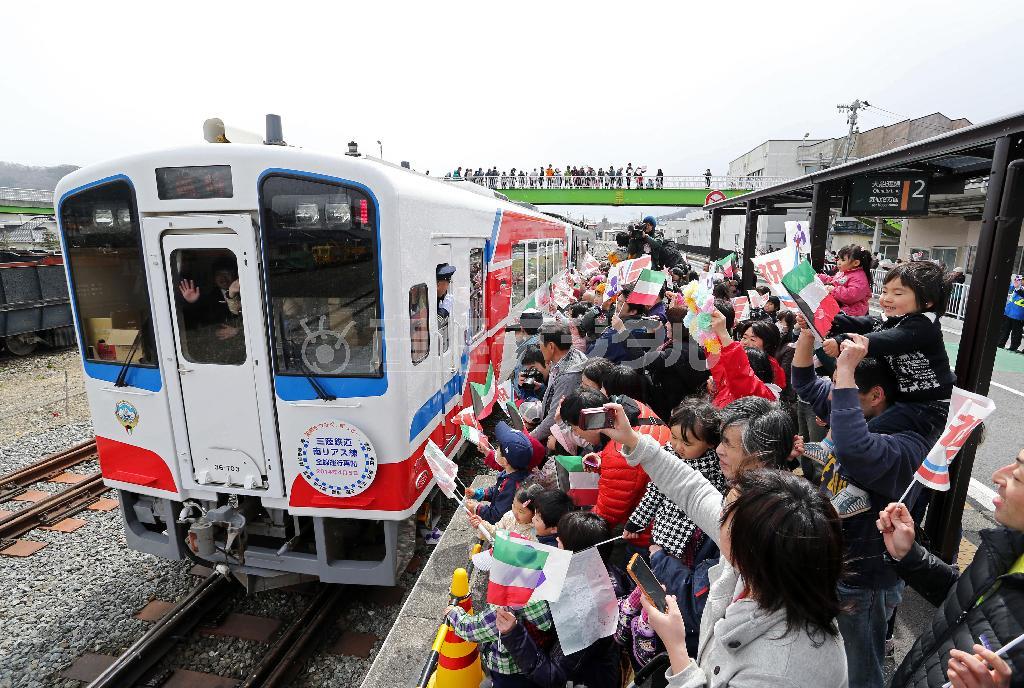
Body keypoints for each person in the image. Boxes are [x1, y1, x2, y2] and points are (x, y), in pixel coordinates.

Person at [603, 403, 848, 688]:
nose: (717, 515)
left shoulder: (783, 669)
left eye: (727, 514)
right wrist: (632, 441)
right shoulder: (768, 549)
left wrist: (677, 649)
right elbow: (692, 489)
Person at [794, 330, 931, 688]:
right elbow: (806, 383)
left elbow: (854, 448)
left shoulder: (905, 444)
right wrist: (807, 335)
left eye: (847, 387)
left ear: (876, 395)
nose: (838, 398)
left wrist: (846, 367)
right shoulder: (855, 411)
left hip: (866, 578)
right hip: (837, 560)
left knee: (862, 669)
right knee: (833, 655)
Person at [880, 449, 1023, 688]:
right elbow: (965, 597)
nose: (998, 476)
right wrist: (909, 555)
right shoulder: (1008, 542)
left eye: (1017, 476)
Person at [823, 261, 956, 437]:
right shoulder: (894, 318)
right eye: (885, 291)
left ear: (928, 301)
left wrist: (844, 342)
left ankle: (830, 447)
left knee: (871, 429)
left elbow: (889, 339)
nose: (886, 298)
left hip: (930, 405)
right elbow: (867, 323)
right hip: (905, 398)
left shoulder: (923, 325)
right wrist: (832, 319)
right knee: (868, 422)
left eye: (898, 293)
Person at [497, 511, 622, 688]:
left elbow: (552, 676)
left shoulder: (586, 611)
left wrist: (513, 633)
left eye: (560, 543)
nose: (556, 547)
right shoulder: (604, 571)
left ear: (577, 556)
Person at [467, 421, 534, 525]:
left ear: (505, 461)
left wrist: (477, 508)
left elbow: (496, 516)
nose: (496, 450)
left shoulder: (512, 485)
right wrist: (480, 493)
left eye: (498, 448)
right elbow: (498, 491)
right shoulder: (515, 474)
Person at [531, 322, 588, 444]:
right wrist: (541, 389)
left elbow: (554, 417)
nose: (539, 348)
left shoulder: (568, 376)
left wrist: (529, 438)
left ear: (551, 346)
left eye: (540, 345)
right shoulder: (571, 355)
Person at [470, 482, 544, 541]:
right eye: (514, 506)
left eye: (521, 511)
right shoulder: (509, 516)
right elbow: (497, 532)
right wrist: (482, 525)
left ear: (535, 513)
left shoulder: (536, 532)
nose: (515, 512)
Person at [822, 244, 874, 316]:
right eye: (839, 259)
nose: (838, 262)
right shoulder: (845, 272)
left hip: (851, 312)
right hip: (841, 307)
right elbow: (834, 281)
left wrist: (833, 290)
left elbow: (851, 295)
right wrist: (821, 277)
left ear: (856, 263)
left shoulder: (859, 277)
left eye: (843, 260)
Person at [1000, 274, 1024, 352]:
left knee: (1016, 333)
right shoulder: (1015, 287)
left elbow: (1021, 292)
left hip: (1018, 315)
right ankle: (1000, 343)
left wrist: (1017, 287)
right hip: (1008, 312)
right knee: (1004, 330)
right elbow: (1008, 288)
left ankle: (1013, 347)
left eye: (1019, 280)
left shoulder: (1020, 289)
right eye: (1016, 279)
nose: (1017, 281)